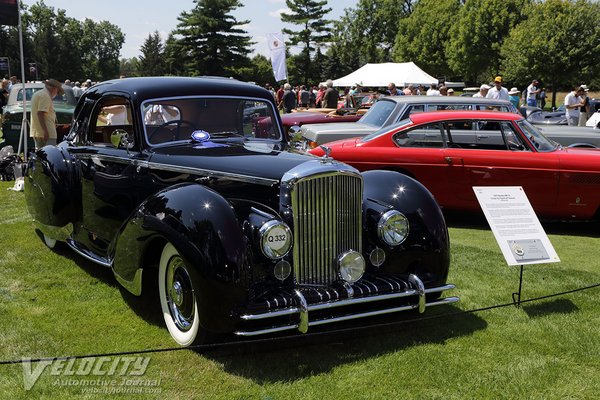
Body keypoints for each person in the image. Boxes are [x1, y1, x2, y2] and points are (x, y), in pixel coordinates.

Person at [30, 79, 64, 149]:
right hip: (47, 132)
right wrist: (45, 131)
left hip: (38, 131)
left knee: (40, 155)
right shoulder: (45, 96)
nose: (56, 93)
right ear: (54, 89)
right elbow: (40, 113)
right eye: (57, 91)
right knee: (50, 154)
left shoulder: (38, 93)